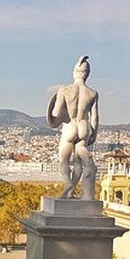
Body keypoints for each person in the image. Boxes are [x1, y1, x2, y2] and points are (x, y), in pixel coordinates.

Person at [47, 55, 100, 199]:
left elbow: (56, 112)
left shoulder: (64, 90)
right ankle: (71, 191)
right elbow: (94, 117)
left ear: (74, 72)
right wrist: (94, 133)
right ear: (87, 74)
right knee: (78, 163)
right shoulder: (93, 93)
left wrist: (54, 113)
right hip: (84, 127)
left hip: (70, 126)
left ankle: (68, 183)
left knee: (63, 160)